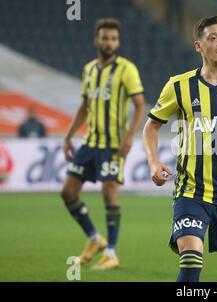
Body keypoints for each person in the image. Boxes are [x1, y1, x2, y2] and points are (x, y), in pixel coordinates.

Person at [142, 15, 217, 282]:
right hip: (190, 191)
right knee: (191, 258)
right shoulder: (178, 85)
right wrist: (153, 162)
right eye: (214, 38)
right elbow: (150, 126)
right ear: (199, 45)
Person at [60, 18, 146, 270]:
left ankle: (111, 253)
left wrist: (130, 136)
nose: (109, 42)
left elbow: (140, 105)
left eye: (113, 39)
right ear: (96, 40)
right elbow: (85, 106)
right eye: (105, 38)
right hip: (89, 143)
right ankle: (95, 239)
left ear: (117, 42)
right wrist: (68, 136)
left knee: (109, 191)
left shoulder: (126, 69)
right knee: (68, 192)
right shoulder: (89, 69)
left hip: (113, 144)